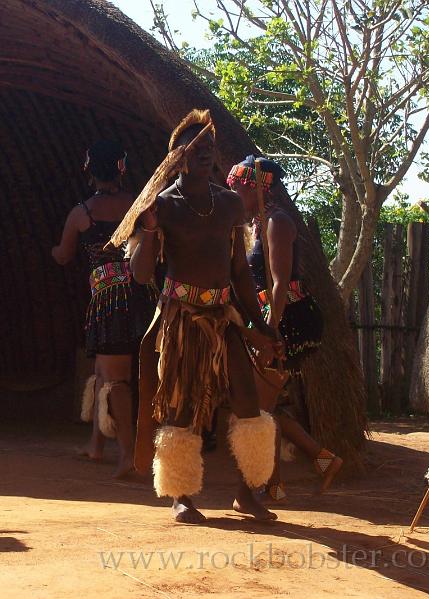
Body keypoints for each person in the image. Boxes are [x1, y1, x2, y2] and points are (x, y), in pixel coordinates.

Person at [129, 110, 282, 523]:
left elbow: (238, 272)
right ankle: (180, 494)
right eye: (196, 147)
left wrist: (261, 324)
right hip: (180, 318)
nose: (205, 153)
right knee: (182, 406)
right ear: (178, 155)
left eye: (210, 147)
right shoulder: (162, 206)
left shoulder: (229, 204)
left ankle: (247, 493)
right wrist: (148, 229)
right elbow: (142, 273)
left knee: (248, 401)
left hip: (222, 314)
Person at [228, 155, 341, 501]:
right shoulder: (259, 225)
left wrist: (269, 334)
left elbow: (279, 283)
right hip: (277, 317)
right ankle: (312, 465)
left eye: (240, 190)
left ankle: (262, 486)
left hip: (289, 320)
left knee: (261, 408)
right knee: (268, 405)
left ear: (258, 191)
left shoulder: (277, 222)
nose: (236, 198)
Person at [52, 140, 158, 478]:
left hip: (110, 301)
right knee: (103, 372)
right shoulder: (136, 207)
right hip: (143, 296)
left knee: (116, 380)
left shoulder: (81, 213)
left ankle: (128, 454)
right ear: (120, 169)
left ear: (89, 171)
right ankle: (96, 445)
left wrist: (53, 251)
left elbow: (65, 254)